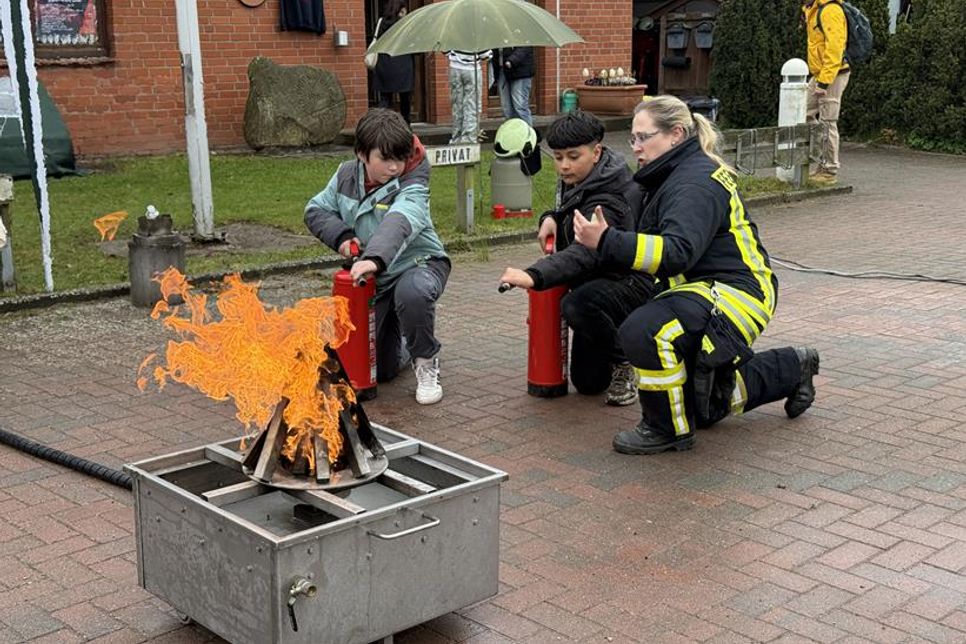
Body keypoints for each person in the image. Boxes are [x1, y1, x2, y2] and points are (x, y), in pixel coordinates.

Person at [573, 95, 820, 455]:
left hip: (736, 293)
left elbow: (677, 252)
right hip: (699, 291)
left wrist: (609, 241)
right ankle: (793, 367)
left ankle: (665, 430)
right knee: (706, 408)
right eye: (632, 139)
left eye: (644, 137)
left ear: (676, 134)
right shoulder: (674, 174)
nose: (636, 148)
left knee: (645, 329)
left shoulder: (695, 181)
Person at [498, 111, 656, 405]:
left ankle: (626, 361)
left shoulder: (612, 199)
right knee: (587, 383)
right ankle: (617, 341)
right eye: (557, 157)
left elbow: (585, 252)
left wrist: (534, 274)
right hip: (595, 281)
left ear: (596, 152)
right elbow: (571, 207)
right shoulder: (582, 176)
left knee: (576, 305)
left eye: (573, 156)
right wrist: (551, 217)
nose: (564, 166)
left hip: (629, 283)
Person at [304, 108, 450, 405]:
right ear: (361, 154)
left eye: (400, 157)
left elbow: (401, 219)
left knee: (413, 293)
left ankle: (426, 361)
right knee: (379, 369)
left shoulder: (415, 180)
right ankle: (408, 333)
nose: (395, 167)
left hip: (419, 264)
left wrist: (374, 258)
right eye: (385, 159)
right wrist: (343, 237)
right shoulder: (345, 176)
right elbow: (315, 210)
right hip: (378, 276)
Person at [803, 0, 851, 184]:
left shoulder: (830, 10)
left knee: (828, 121)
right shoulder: (813, 10)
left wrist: (823, 82)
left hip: (833, 74)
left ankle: (829, 170)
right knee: (805, 113)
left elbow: (835, 49)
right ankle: (819, 160)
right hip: (819, 73)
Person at [372, 0, 414, 124]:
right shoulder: (406, 25)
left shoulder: (381, 22)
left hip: (384, 65)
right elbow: (414, 47)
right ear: (401, 10)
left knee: (385, 98)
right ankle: (406, 126)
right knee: (405, 99)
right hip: (403, 65)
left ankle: (380, 125)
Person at [446, 50, 492, 144]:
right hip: (471, 68)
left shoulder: (452, 34)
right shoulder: (476, 34)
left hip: (454, 67)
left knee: (457, 106)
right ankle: (468, 140)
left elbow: (445, 50)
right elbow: (485, 55)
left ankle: (456, 138)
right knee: (472, 106)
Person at [492, 47, 534, 125]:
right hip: (502, 71)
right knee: (507, 109)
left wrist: (511, 60)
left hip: (520, 72)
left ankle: (528, 134)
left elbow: (525, 47)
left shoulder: (523, 35)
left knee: (520, 107)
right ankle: (512, 134)